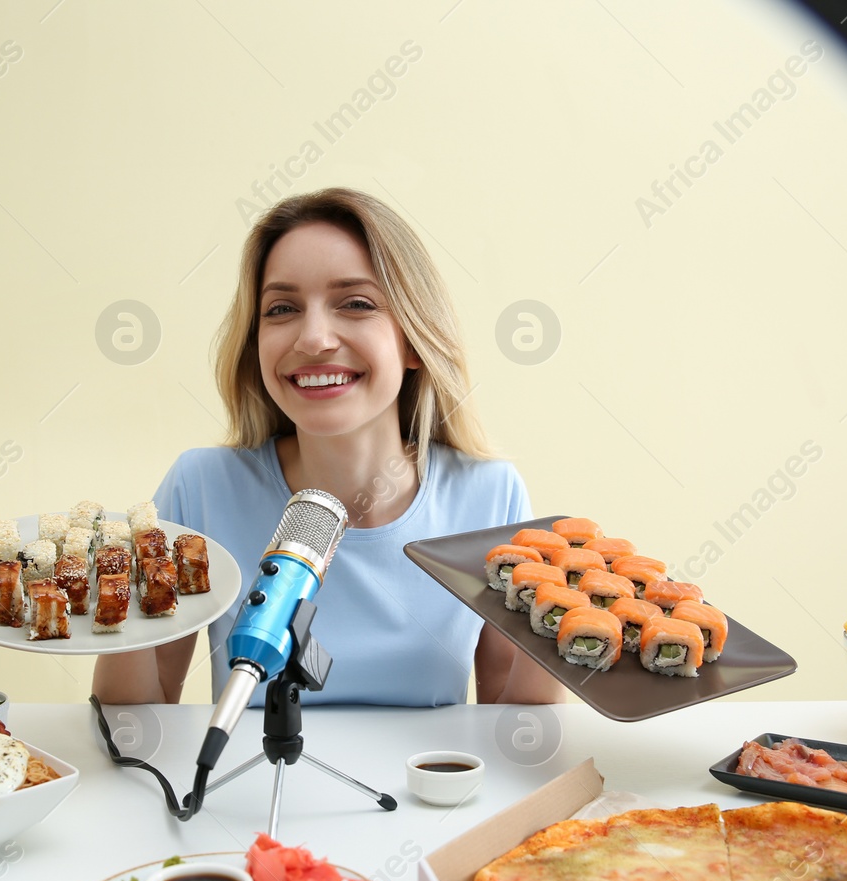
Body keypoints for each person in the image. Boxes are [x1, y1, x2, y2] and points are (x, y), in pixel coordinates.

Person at [92, 187, 562, 707]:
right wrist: (115, 586)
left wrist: (563, 621)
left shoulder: (488, 497)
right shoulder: (202, 486)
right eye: (282, 308)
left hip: (424, 790)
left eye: (356, 304)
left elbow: (515, 728)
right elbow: (133, 721)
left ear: (411, 339)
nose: (313, 338)